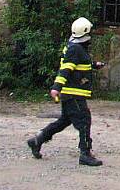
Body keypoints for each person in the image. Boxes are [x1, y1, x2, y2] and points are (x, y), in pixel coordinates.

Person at [26, 17, 105, 166]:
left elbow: (78, 64)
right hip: (73, 93)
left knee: (64, 121)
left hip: (71, 93)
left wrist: (94, 65)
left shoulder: (75, 47)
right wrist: (56, 87)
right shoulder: (76, 49)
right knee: (84, 120)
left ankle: (37, 140)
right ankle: (85, 153)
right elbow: (66, 69)